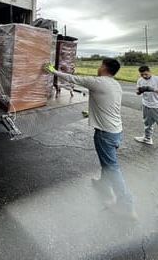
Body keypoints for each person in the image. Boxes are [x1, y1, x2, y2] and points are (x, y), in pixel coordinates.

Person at [45, 58, 136, 219]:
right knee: (108, 162)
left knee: (112, 168)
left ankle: (126, 207)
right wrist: (93, 113)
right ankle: (103, 183)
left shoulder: (99, 82)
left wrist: (53, 71)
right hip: (116, 131)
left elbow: (74, 78)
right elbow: (106, 103)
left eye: (101, 65)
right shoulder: (115, 84)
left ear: (105, 68)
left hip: (105, 134)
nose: (99, 68)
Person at [135, 65, 158, 145]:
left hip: (156, 105)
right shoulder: (140, 80)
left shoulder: (156, 79)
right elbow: (137, 92)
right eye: (142, 75)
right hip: (146, 104)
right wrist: (140, 91)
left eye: (146, 74)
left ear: (149, 71)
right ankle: (147, 138)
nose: (144, 76)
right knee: (147, 123)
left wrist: (151, 89)